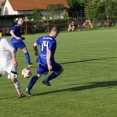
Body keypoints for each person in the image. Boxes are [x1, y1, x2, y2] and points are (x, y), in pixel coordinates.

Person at [25, 26, 64, 97]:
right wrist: (49, 64)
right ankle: (46, 80)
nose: (57, 35)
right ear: (55, 32)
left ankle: (28, 88)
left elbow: (34, 45)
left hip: (41, 61)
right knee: (60, 70)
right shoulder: (53, 41)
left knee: (38, 75)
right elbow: (49, 52)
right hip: (48, 61)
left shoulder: (42, 38)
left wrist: (36, 51)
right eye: (58, 33)